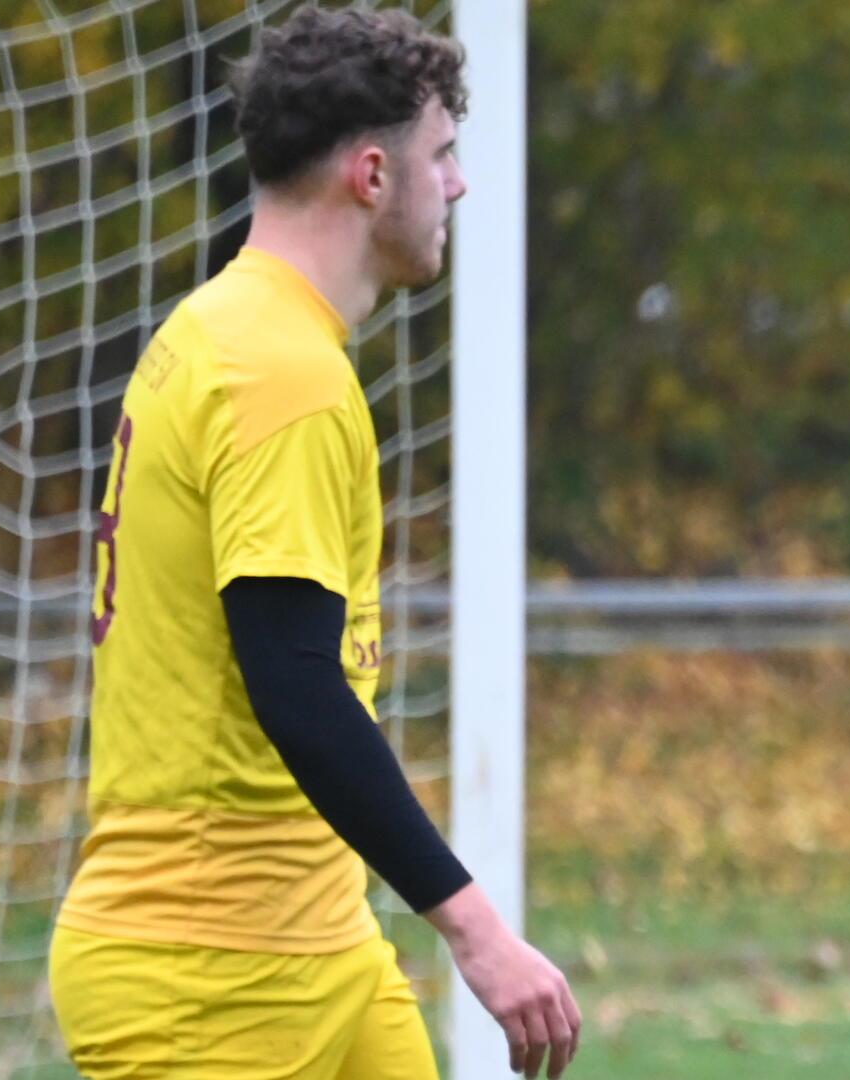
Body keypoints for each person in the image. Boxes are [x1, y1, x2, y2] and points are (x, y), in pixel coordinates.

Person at [49, 9, 579, 1079]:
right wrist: (475, 927)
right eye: (444, 156)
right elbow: (295, 683)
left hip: (320, 946)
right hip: (206, 977)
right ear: (373, 175)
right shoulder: (276, 371)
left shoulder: (226, 329)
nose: (461, 185)